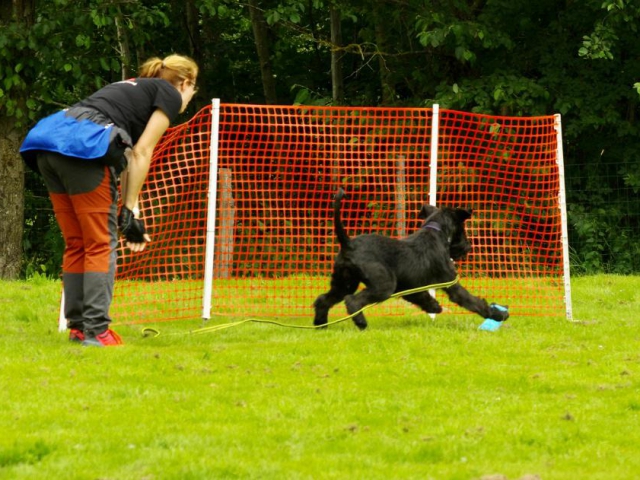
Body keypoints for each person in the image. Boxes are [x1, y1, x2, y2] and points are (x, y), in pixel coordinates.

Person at [20, 54, 199, 347]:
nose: (191, 96)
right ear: (185, 82)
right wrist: (128, 210)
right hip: (83, 147)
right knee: (100, 242)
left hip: (49, 142)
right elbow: (142, 152)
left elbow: (127, 155)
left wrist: (132, 207)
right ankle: (97, 332)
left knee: (78, 242)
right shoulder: (168, 92)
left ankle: (78, 327)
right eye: (193, 89)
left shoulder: (133, 89)